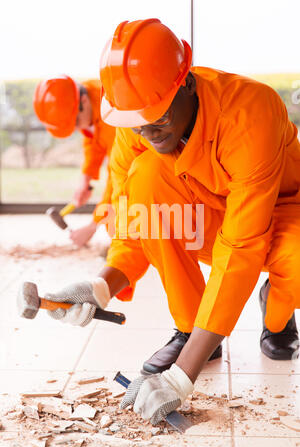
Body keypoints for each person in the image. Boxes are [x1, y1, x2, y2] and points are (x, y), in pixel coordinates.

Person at [43, 19, 300, 425]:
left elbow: (241, 244)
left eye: (155, 116)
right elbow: (132, 216)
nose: (145, 130)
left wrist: (182, 377)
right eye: (136, 121)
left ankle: (277, 313)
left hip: (282, 209)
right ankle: (193, 330)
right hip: (209, 206)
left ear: (187, 84)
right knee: (144, 178)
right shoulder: (134, 123)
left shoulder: (252, 111)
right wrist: (101, 285)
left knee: (297, 262)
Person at [33, 75, 115, 247]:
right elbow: (93, 141)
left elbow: (120, 175)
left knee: (117, 219)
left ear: (83, 101)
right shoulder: (88, 98)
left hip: (154, 167)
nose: (78, 129)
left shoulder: (113, 110)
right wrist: (85, 180)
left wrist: (93, 225)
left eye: (76, 122)